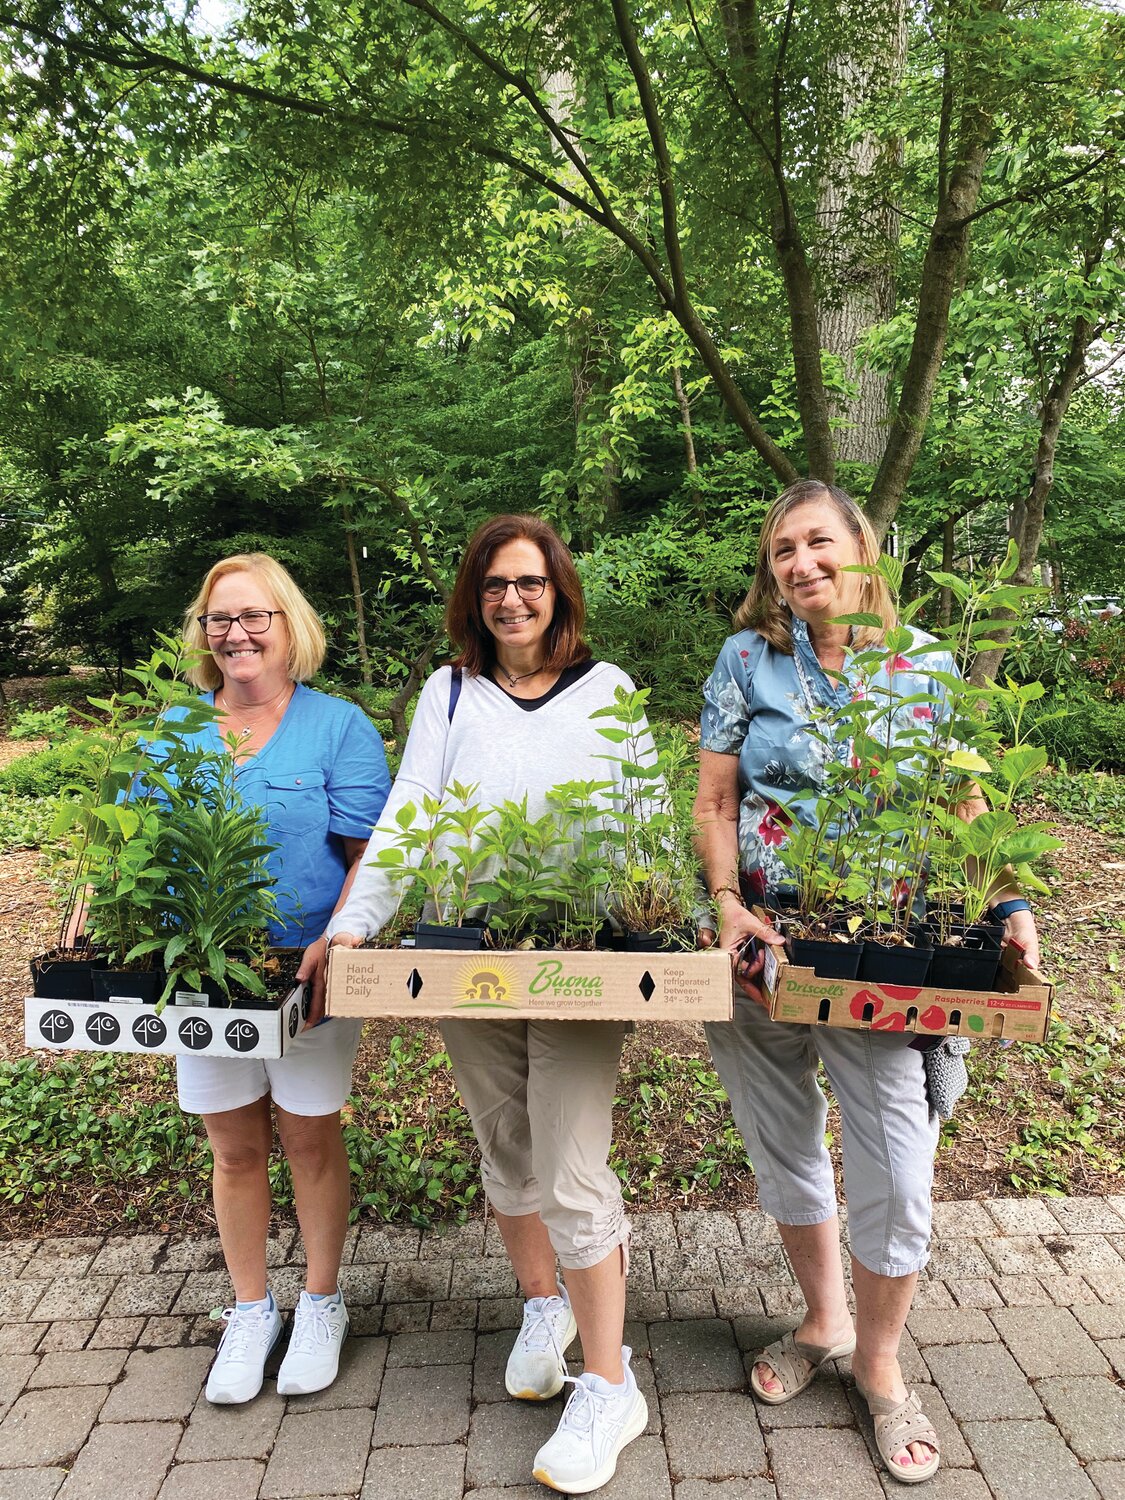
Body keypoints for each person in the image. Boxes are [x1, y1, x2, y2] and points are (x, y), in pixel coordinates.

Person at [694, 481, 1040, 1487]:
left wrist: (1005, 902)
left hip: (882, 951)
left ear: (861, 546)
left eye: (815, 543)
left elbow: (968, 803)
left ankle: (881, 1365)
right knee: (782, 1132)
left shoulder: (923, 664)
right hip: (760, 951)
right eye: (781, 552)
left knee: (896, 1156)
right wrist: (724, 902)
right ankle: (823, 1321)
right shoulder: (745, 660)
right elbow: (717, 798)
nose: (798, 564)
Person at [324, 514, 648, 1495]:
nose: (513, 599)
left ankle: (610, 1382)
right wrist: (353, 922)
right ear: (475, 597)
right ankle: (544, 1306)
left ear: (561, 592)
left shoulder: (609, 693)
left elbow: (639, 822)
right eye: (495, 585)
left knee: (572, 1164)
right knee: (507, 1146)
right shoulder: (450, 691)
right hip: (464, 957)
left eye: (531, 583)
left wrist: (656, 924)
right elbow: (412, 811)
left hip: (577, 961)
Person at [177, 553, 390, 1405]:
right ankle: (250, 1309)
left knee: (308, 1136)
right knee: (232, 1147)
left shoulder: (336, 726)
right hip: (199, 974)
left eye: (253, 616)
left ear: (287, 624)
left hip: (303, 972)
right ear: (203, 635)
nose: (236, 634)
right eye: (219, 620)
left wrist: (340, 936)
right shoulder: (177, 731)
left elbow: (365, 853)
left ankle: (321, 1301)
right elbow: (139, 850)